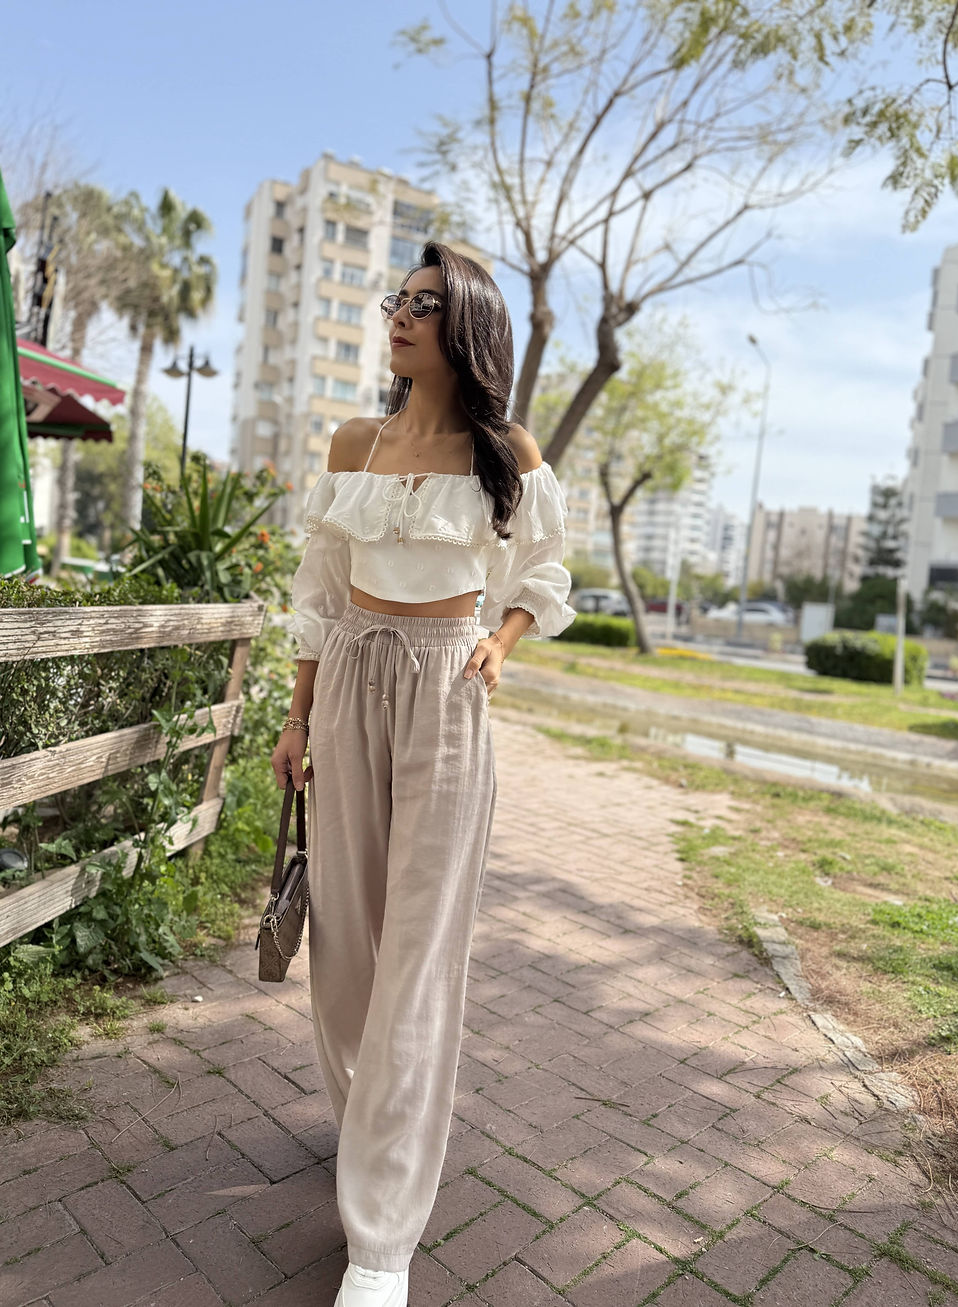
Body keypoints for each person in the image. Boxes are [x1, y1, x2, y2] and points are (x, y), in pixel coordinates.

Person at [270, 240, 575, 1307]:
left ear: (467, 325)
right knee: (344, 946)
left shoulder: (505, 451)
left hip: (446, 690)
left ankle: (382, 1238)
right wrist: (296, 715)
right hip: (348, 680)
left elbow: (544, 567)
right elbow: (319, 585)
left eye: (426, 304)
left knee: (418, 952)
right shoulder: (353, 443)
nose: (400, 316)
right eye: (396, 299)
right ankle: (369, 1124)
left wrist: (503, 639)